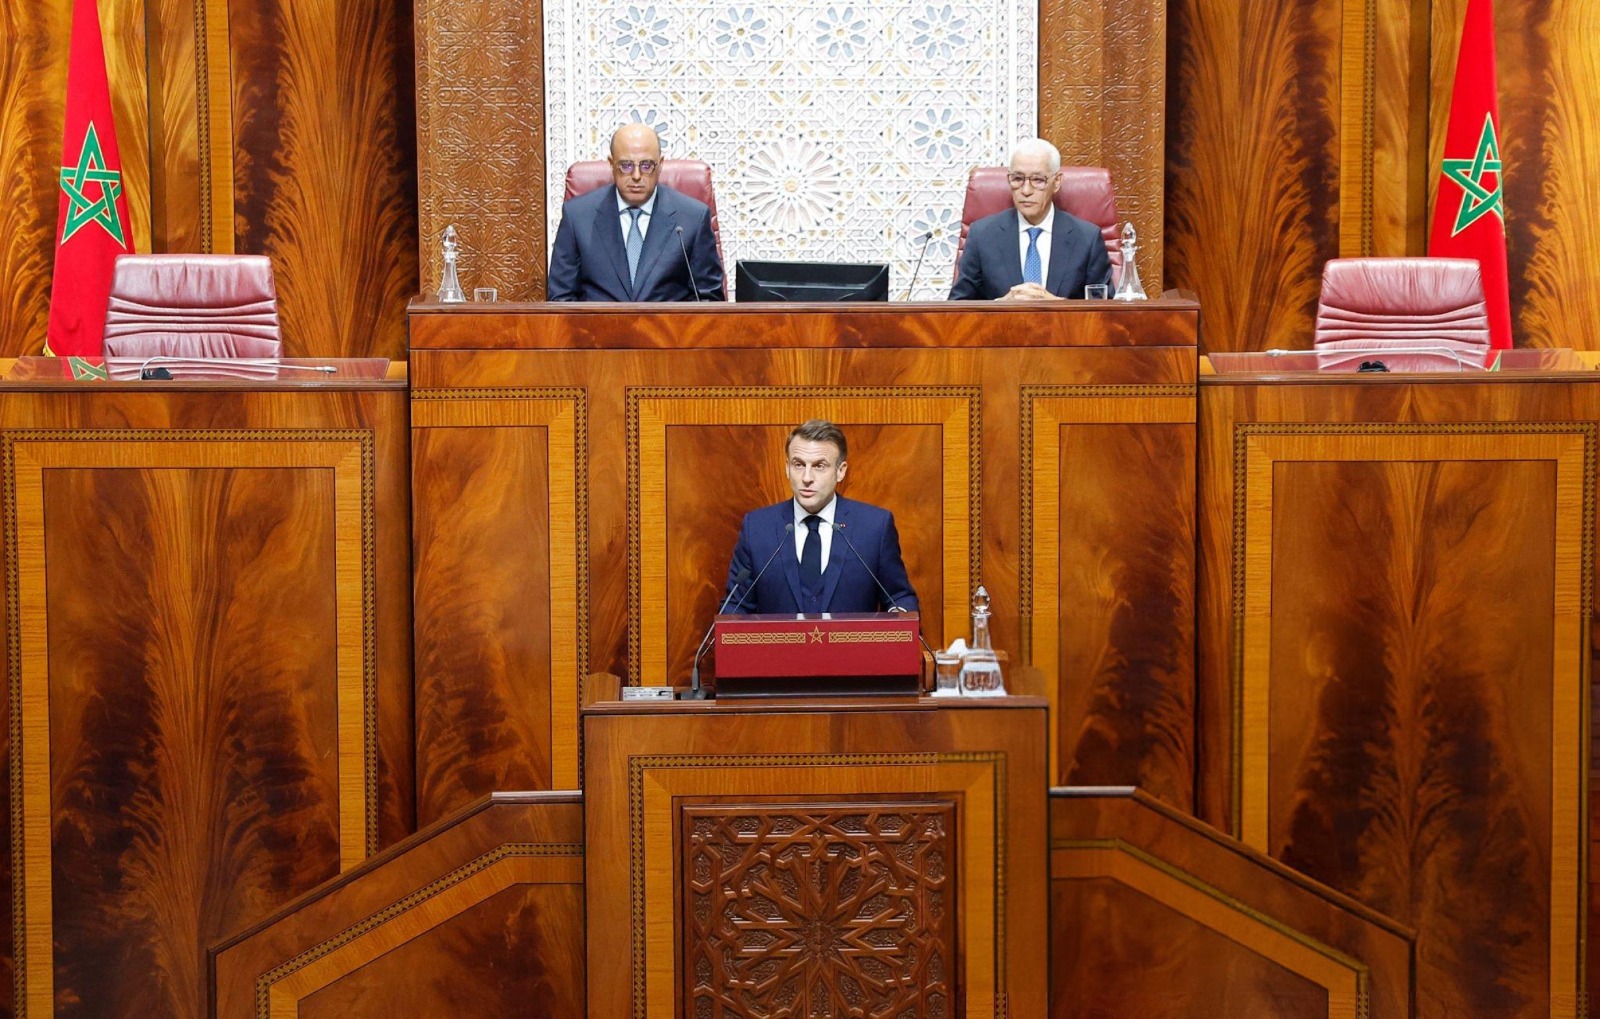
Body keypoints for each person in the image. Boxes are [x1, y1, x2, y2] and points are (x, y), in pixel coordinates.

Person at [725, 420, 918, 615]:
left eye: (819, 466)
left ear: (840, 471)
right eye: (798, 464)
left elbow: (899, 596)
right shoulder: (757, 528)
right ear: (786, 468)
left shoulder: (875, 527)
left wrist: (899, 619)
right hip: (778, 646)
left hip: (852, 646)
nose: (807, 477)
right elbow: (736, 606)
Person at [547, 123, 726, 301]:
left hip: (668, 329)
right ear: (611, 164)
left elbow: (708, 302)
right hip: (597, 329)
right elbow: (561, 299)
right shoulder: (577, 217)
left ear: (660, 164)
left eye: (647, 166)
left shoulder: (692, 219)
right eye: (626, 166)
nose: (636, 176)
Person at [949, 137, 1113, 301]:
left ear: (1056, 182)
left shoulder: (1087, 238)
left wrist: (1058, 307)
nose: (1026, 190)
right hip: (1002, 327)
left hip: (1062, 327)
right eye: (1018, 179)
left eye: (1038, 180)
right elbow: (957, 310)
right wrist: (1000, 307)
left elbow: (1105, 312)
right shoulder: (982, 235)